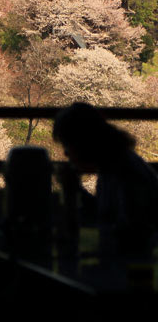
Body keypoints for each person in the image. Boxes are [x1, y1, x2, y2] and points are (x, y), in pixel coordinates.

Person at [53, 102, 158, 261]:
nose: (66, 154)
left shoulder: (125, 173)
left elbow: (130, 237)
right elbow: (106, 216)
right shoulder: (115, 166)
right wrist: (76, 189)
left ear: (84, 143)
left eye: (68, 145)